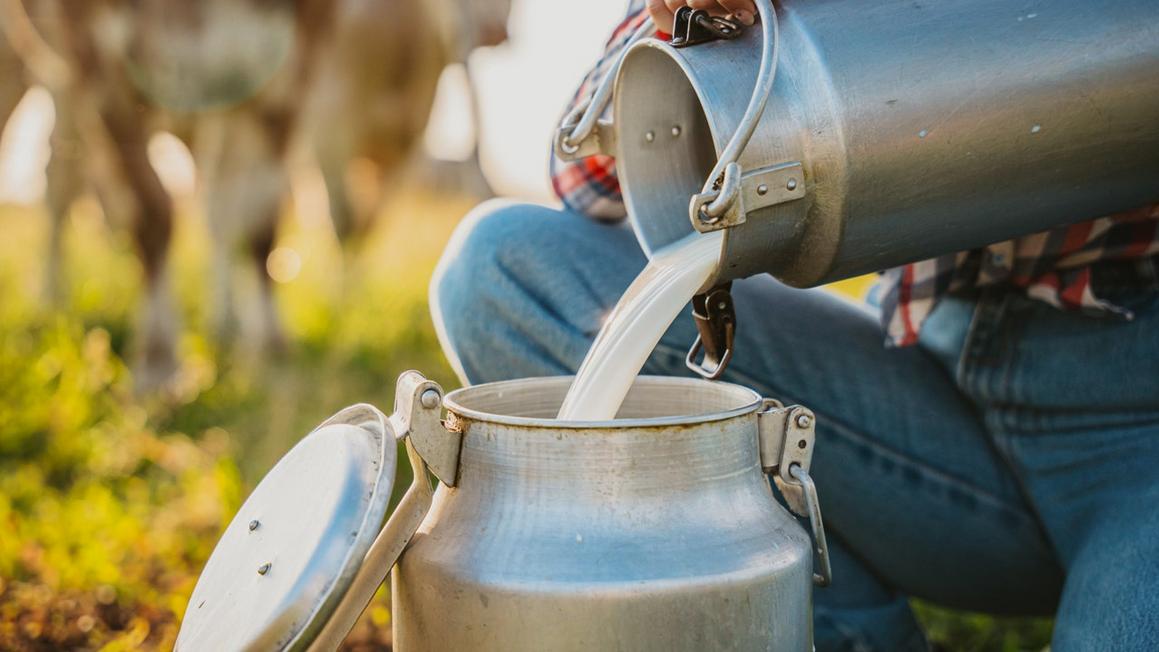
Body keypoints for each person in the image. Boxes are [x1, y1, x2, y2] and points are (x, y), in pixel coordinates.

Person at [430, 1, 1159, 649]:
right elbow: (589, 178)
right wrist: (709, 21)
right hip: (934, 404)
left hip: (1137, 430)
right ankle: (840, 632)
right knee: (501, 271)